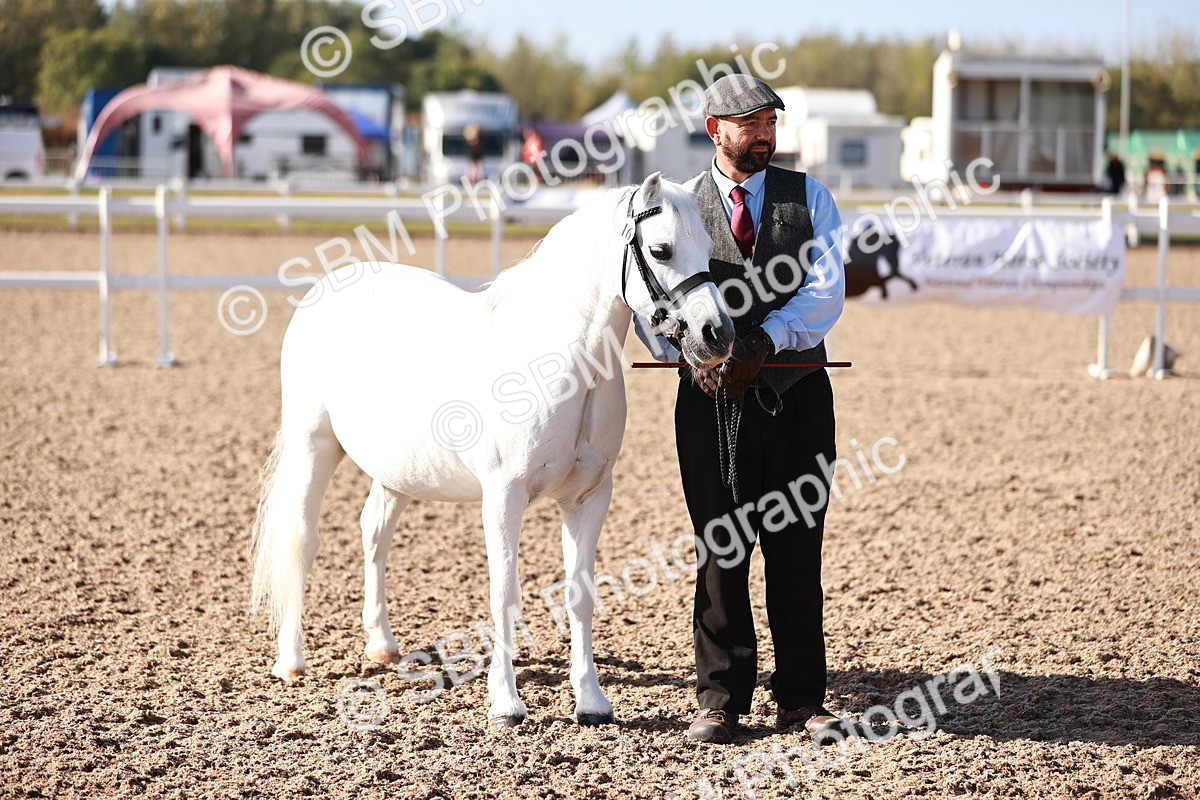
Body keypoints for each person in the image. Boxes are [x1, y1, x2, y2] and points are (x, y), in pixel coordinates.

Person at [635, 74, 846, 744]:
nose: (763, 135)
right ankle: (720, 699)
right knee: (719, 551)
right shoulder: (680, 202)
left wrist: (764, 339)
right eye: (750, 124)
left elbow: (826, 291)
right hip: (708, 406)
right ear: (714, 130)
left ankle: (802, 701)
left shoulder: (810, 197)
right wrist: (687, 356)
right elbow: (651, 295)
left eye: (769, 123)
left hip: (797, 398)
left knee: (796, 551)